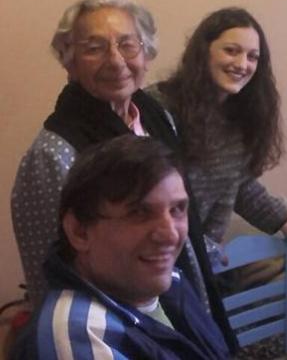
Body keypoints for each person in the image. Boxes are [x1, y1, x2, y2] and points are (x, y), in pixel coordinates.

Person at [10, 0, 235, 350]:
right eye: (94, 48)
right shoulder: (53, 152)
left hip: (172, 298)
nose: (116, 61)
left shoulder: (156, 116)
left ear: (146, 53)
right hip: (109, 332)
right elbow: (47, 275)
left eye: (128, 45)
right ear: (69, 62)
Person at [12, 135, 230, 360]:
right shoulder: (79, 337)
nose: (170, 234)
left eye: (177, 209)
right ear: (80, 232)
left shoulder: (170, 283)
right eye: (140, 212)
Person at [147, 7, 287, 253]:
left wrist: (283, 222)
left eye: (252, 57)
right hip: (158, 250)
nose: (242, 64)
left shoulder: (239, 115)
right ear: (204, 52)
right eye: (231, 51)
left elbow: (238, 182)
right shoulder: (158, 107)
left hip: (204, 254)